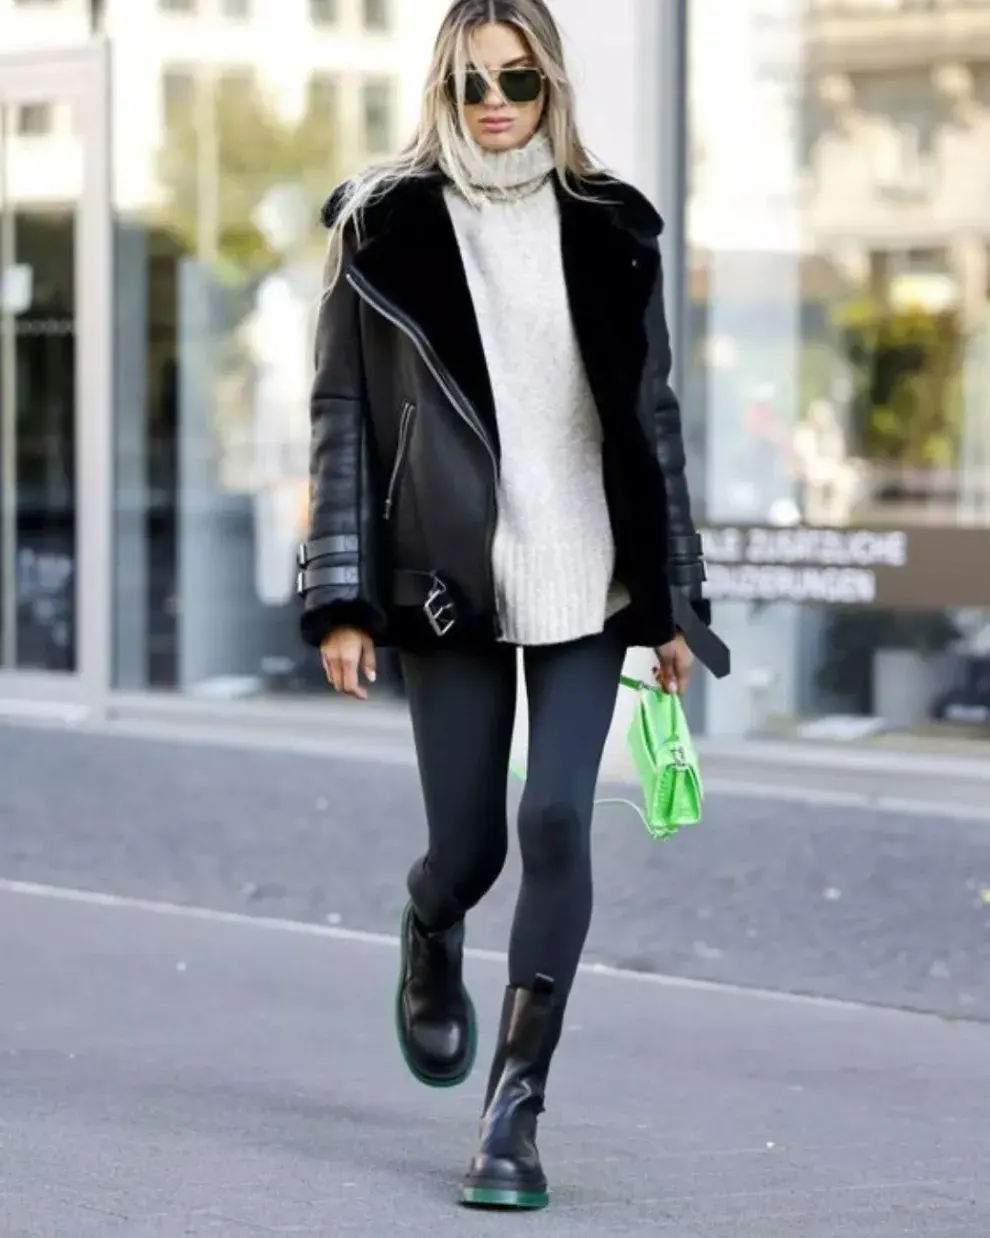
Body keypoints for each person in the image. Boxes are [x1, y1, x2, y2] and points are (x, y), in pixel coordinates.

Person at [297, 0, 726, 1212]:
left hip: (594, 574)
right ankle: (430, 924)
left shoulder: (612, 227)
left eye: (520, 79)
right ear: (444, 87)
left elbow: (655, 427)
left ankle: (513, 1113)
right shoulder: (380, 227)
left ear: (553, 86)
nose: (497, 100)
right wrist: (342, 596)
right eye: (475, 80)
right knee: (475, 846)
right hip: (449, 582)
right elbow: (341, 421)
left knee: (556, 822)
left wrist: (674, 603)